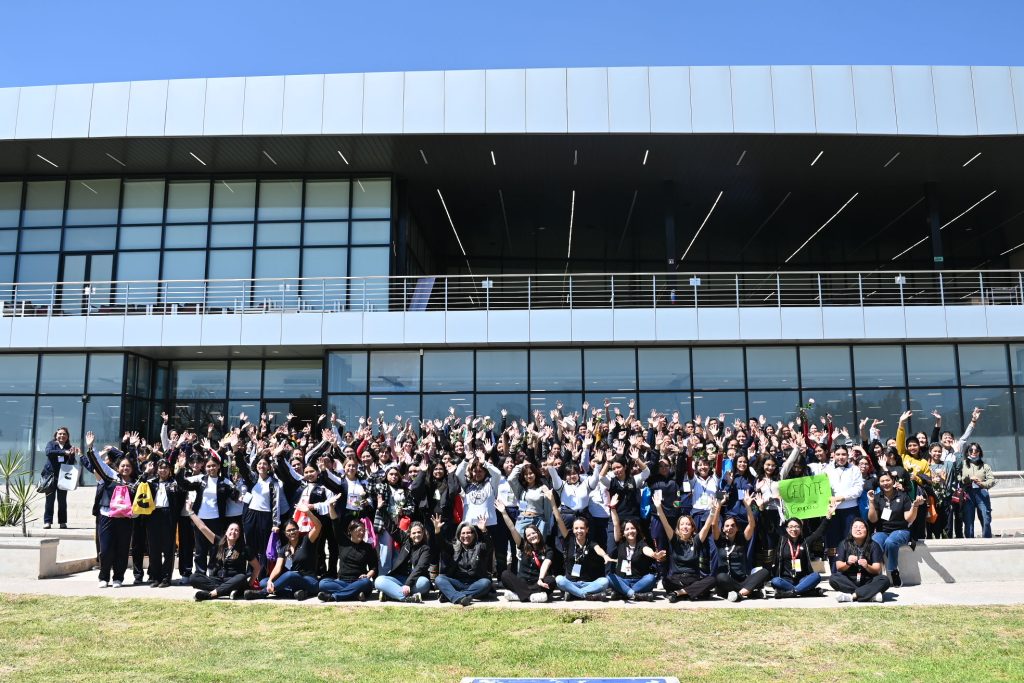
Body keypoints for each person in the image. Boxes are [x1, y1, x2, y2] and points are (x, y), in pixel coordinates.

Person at [84, 432, 137, 588]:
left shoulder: (136, 481)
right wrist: (90, 447)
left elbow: (136, 462)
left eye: (128, 466)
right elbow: (98, 463)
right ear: (118, 467)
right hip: (107, 515)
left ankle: (118, 578)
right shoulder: (111, 475)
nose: (125, 468)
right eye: (123, 466)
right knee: (106, 549)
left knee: (122, 549)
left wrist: (132, 446)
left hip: (126, 518)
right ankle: (104, 577)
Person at [245, 504, 322, 600]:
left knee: (290, 574)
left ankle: (262, 593)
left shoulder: (307, 541)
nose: (291, 532)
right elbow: (277, 568)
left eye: (294, 529)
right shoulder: (284, 549)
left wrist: (307, 512)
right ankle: (296, 593)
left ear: (298, 530)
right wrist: (270, 581)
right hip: (292, 582)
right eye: (288, 531)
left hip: (309, 581)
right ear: (285, 534)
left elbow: (318, 526)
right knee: (263, 582)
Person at [652, 490, 716, 602]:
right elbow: (665, 522)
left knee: (712, 580)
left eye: (688, 524)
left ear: (692, 528)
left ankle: (679, 593)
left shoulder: (696, 540)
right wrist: (658, 508)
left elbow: (706, 527)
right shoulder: (674, 539)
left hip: (692, 579)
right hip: (676, 579)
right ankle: (691, 592)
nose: (685, 527)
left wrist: (713, 511)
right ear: (678, 527)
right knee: (665, 581)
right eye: (682, 524)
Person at [867, 472, 924, 588]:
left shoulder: (903, 496)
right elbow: (873, 520)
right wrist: (871, 502)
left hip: (901, 530)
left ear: (893, 481)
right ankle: (876, 572)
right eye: (882, 481)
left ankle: (893, 571)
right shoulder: (877, 497)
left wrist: (915, 506)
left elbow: (908, 518)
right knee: (874, 542)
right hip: (882, 531)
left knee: (891, 542)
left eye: (888, 480)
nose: (885, 483)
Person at [495, 497, 556, 603]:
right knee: (505, 574)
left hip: (538, 581)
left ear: (538, 533)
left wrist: (541, 579)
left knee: (551, 581)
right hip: (522, 582)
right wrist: (504, 512)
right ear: (526, 538)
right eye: (528, 535)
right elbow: (512, 528)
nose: (532, 536)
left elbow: (546, 563)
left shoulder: (548, 549)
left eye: (534, 533)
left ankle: (519, 595)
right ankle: (531, 596)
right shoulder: (522, 545)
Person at [317, 496, 378, 602]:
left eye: (363, 530)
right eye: (359, 530)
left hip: (359, 581)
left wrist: (367, 576)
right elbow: (335, 522)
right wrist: (331, 506)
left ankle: (334, 596)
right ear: (351, 531)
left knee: (367, 583)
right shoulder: (343, 542)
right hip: (342, 581)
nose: (362, 533)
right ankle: (354, 594)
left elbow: (374, 567)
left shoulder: (367, 547)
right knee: (323, 583)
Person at [550, 498, 613, 601]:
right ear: (573, 529)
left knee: (604, 581)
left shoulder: (591, 542)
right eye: (576, 528)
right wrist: (553, 501)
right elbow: (558, 519)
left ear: (587, 529)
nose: (579, 531)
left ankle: (574, 594)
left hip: (588, 583)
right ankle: (588, 595)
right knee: (559, 580)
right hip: (570, 582)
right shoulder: (569, 539)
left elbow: (598, 549)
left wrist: (605, 555)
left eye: (582, 528)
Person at [607, 494, 664, 602]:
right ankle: (635, 594)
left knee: (651, 578)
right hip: (623, 580)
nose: (630, 531)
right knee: (610, 577)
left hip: (639, 581)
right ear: (623, 533)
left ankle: (623, 593)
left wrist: (654, 554)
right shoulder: (620, 542)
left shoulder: (641, 543)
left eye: (632, 528)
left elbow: (647, 550)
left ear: (637, 530)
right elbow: (615, 524)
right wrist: (613, 508)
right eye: (627, 529)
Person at [711, 493, 769, 602]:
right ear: (723, 529)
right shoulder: (720, 541)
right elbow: (714, 525)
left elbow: (751, 525)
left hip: (743, 581)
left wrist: (747, 506)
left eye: (733, 525)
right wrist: (718, 507)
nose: (730, 528)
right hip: (727, 581)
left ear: (737, 528)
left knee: (764, 572)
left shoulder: (742, 539)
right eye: (727, 526)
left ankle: (740, 593)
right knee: (721, 577)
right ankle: (748, 591)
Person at [190, 515, 261, 601]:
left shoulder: (244, 549)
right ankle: (229, 591)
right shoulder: (219, 543)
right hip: (218, 580)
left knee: (241, 577)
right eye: (231, 529)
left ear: (239, 535)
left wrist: (249, 585)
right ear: (226, 532)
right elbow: (203, 527)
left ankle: (211, 594)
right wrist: (191, 512)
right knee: (194, 578)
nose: (233, 532)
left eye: (236, 530)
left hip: (235, 581)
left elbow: (257, 567)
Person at [771, 504, 836, 599]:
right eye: (791, 527)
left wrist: (828, 517)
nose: (793, 529)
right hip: (786, 579)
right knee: (775, 581)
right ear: (786, 529)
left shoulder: (805, 542)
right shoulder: (781, 541)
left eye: (797, 527)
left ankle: (791, 592)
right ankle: (805, 591)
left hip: (803, 579)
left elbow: (819, 532)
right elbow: (771, 527)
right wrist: (762, 509)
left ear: (801, 529)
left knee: (816, 576)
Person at [373, 512, 434, 603]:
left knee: (424, 583)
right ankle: (407, 597)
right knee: (379, 581)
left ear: (423, 533)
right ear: (409, 534)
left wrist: (408, 584)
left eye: (419, 532)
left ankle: (392, 595)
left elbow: (419, 568)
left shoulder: (426, 549)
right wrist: (382, 510)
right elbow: (392, 528)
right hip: (399, 578)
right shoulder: (405, 540)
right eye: (414, 533)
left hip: (416, 580)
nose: (416, 535)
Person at [435, 515, 493, 607]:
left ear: (474, 535)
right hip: (457, 582)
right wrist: (438, 531)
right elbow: (442, 544)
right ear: (459, 535)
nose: (466, 536)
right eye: (463, 533)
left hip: (475, 583)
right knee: (439, 579)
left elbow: (489, 546)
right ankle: (460, 597)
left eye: (469, 533)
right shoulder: (454, 547)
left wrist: (484, 530)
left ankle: (453, 595)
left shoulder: (480, 547)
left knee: (486, 583)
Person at [828, 518, 889, 603]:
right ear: (851, 529)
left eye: (861, 527)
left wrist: (867, 566)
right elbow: (839, 567)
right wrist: (847, 563)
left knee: (884, 580)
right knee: (833, 578)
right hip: (849, 580)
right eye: (855, 527)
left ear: (867, 530)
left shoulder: (874, 545)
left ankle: (852, 596)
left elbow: (877, 569)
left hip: (868, 580)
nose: (858, 529)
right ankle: (870, 595)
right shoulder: (844, 544)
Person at [146, 459, 182, 588]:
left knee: (168, 549)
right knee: (154, 548)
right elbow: (139, 485)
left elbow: (181, 494)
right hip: (153, 515)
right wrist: (146, 472)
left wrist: (180, 470)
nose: (163, 470)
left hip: (168, 515)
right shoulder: (151, 483)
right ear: (157, 470)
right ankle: (155, 577)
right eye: (160, 468)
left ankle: (166, 578)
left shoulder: (174, 483)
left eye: (166, 468)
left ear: (170, 470)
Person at [43, 426, 78, 529]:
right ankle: (47, 522)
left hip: (63, 478)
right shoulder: (51, 444)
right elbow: (48, 453)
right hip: (50, 477)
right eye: (60, 434)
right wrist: (63, 452)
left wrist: (71, 455)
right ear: (56, 435)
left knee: (62, 501)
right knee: (49, 500)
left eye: (64, 434)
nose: (62, 436)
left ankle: (62, 522)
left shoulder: (69, 447)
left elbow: (71, 463)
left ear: (67, 436)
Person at [960, 443, 995, 539]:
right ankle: (969, 541)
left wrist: (982, 484)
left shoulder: (985, 466)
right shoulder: (963, 464)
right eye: (971, 450)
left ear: (980, 452)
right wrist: (968, 479)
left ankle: (987, 540)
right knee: (968, 519)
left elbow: (991, 480)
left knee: (986, 518)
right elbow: (959, 476)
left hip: (981, 492)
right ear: (967, 452)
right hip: (968, 492)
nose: (973, 452)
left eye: (976, 450)